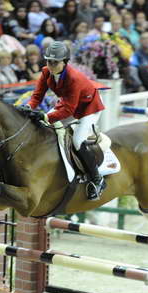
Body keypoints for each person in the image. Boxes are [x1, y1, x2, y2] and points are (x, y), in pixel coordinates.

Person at [23, 41, 106, 200]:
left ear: (65, 62)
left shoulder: (74, 78)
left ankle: (97, 178)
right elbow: (37, 96)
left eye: (55, 62)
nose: (51, 65)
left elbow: (69, 110)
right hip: (68, 103)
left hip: (89, 108)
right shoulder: (46, 72)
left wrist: (46, 116)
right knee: (42, 126)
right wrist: (29, 107)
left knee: (77, 140)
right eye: (49, 61)